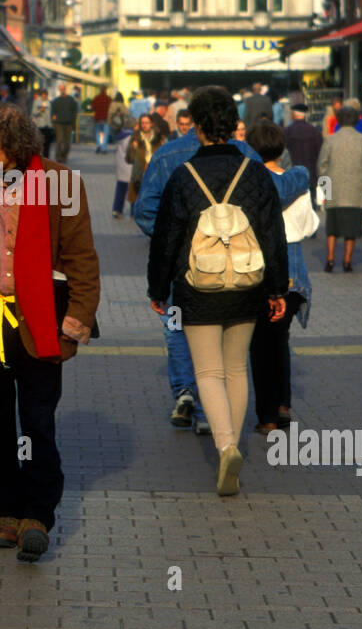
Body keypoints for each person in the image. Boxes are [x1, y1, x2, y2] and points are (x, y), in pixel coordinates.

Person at [0, 103, 100, 562]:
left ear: (14, 147)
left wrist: (76, 322)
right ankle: (7, 511)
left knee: (36, 423)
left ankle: (38, 513)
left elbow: (81, 258)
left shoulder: (61, 183)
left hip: (39, 324)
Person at [147, 86, 288, 494]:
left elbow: (166, 237)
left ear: (199, 126)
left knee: (207, 371)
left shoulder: (183, 175)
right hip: (247, 284)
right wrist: (277, 288)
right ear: (231, 123)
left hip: (197, 287)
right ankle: (235, 447)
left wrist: (158, 288)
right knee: (236, 368)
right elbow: (272, 235)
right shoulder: (256, 172)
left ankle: (226, 447)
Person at [135, 90, 264, 431]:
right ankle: (216, 421)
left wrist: (176, 243)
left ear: (193, 119)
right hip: (237, 270)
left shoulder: (167, 155)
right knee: (227, 346)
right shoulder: (248, 156)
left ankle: (185, 392)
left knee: (177, 328)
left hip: (185, 271)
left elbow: (144, 208)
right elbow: (266, 213)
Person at [247, 121, 317, 433]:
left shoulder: (250, 188)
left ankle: (268, 417)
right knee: (280, 342)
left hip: (263, 270)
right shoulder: (298, 182)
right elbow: (310, 226)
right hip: (296, 269)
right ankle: (284, 404)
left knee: (261, 346)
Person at [317, 105, 362, 272]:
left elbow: (322, 167)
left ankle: (330, 259)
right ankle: (347, 260)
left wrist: (326, 191)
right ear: (357, 119)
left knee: (332, 228)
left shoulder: (330, 140)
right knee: (351, 229)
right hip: (355, 190)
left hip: (334, 191)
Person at [285, 102, 322, 204]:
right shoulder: (314, 131)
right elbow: (320, 154)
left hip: (293, 176)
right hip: (311, 175)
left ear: (293, 115)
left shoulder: (287, 131)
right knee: (311, 205)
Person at [51, 83, 80, 163]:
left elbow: (75, 112)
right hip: (58, 123)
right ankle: (59, 157)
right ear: (59, 90)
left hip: (69, 123)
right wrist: (53, 120)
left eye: (63, 89)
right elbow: (53, 112)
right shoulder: (56, 101)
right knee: (59, 140)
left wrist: (73, 124)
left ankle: (64, 156)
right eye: (61, 89)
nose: (62, 90)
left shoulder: (71, 100)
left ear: (65, 89)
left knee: (67, 143)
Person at [113, 120, 135, 218]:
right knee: (134, 191)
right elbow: (131, 151)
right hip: (130, 169)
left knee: (120, 191)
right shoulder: (130, 137)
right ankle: (134, 211)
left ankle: (117, 209)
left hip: (121, 169)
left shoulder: (120, 136)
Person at [32, 89, 55, 159]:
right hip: (40, 125)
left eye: (45, 95)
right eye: (43, 95)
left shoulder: (49, 102)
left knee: (47, 143)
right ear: (41, 95)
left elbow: (52, 112)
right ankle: (39, 157)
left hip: (48, 125)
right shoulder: (36, 102)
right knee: (40, 143)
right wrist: (40, 110)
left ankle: (46, 157)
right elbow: (34, 112)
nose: (44, 96)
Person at [91, 86, 112, 153]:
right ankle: (104, 148)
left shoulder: (96, 98)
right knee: (105, 134)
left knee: (97, 133)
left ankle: (98, 146)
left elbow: (92, 107)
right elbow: (111, 109)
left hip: (97, 118)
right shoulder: (108, 99)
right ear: (105, 90)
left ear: (100, 90)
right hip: (105, 119)